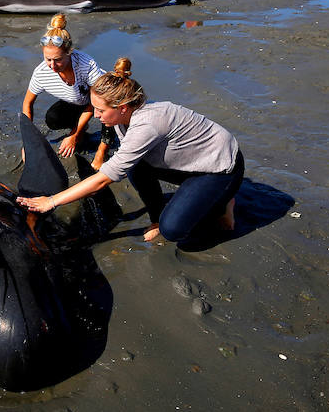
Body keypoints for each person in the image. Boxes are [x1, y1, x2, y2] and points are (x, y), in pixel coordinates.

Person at [17, 58, 244, 248]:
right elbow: (120, 163)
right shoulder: (123, 115)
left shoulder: (147, 124)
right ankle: (158, 217)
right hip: (190, 159)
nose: (95, 115)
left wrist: (52, 201)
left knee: (173, 231)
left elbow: (104, 179)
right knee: (134, 167)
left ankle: (223, 200)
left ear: (122, 107)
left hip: (220, 167)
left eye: (100, 110)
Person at [22, 14, 111, 166]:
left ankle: (102, 150)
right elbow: (27, 104)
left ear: (69, 52)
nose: (52, 65)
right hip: (78, 100)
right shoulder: (41, 73)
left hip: (103, 99)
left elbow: (96, 103)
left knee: (108, 111)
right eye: (48, 59)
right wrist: (27, 142)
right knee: (53, 118)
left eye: (58, 60)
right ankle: (81, 129)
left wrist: (74, 135)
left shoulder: (86, 64)